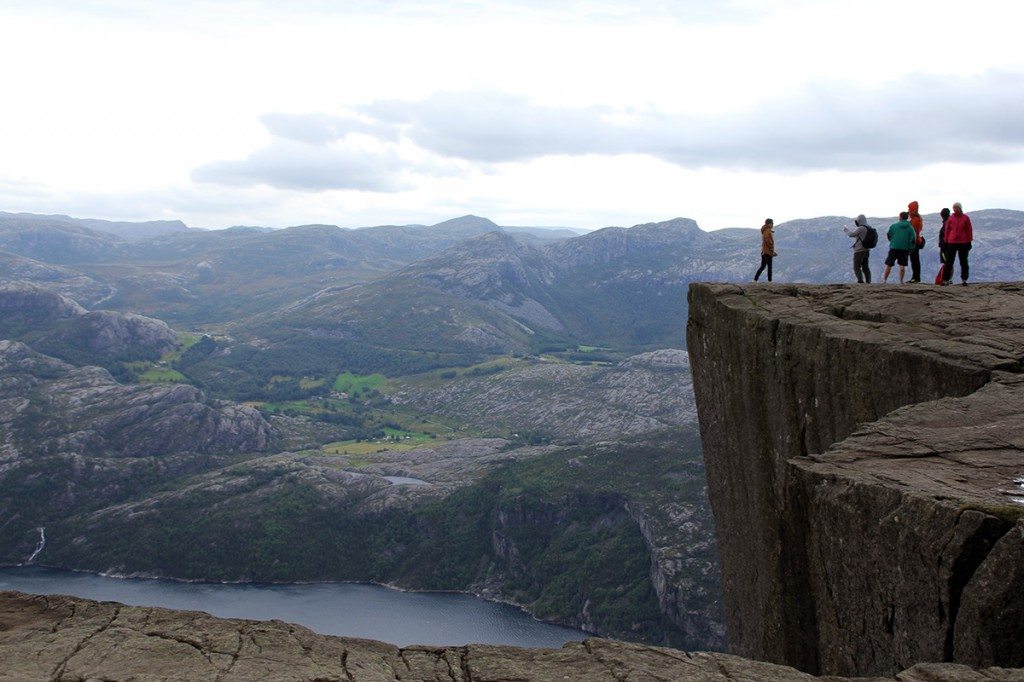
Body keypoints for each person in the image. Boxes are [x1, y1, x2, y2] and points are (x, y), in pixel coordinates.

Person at [941, 202, 973, 285]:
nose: (955, 210)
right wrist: (946, 240)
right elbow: (947, 230)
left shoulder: (965, 218)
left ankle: (964, 279)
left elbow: (969, 230)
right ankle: (945, 279)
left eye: (956, 208)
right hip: (952, 242)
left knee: (963, 261)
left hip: (963, 242)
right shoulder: (951, 218)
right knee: (949, 261)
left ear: (960, 208)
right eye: (954, 209)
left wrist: (969, 241)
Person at [883, 211, 916, 284]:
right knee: (902, 266)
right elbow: (913, 239)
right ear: (907, 218)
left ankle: (885, 280)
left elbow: (888, 235)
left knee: (889, 264)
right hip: (904, 249)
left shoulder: (894, 226)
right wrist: (910, 248)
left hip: (894, 247)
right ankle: (901, 281)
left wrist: (892, 241)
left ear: (900, 217)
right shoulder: (910, 228)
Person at [843, 214, 872, 283]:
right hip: (867, 250)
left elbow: (851, 234)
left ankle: (860, 281)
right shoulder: (868, 227)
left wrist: (846, 230)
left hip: (859, 250)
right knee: (865, 267)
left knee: (856, 267)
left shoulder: (861, 228)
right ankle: (868, 281)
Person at [907, 201, 924, 282]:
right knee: (915, 260)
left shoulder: (915, 219)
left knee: (914, 260)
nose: (908, 210)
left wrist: (912, 242)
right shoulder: (917, 218)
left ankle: (916, 278)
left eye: (909, 208)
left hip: (915, 242)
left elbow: (914, 232)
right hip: (917, 241)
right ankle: (915, 277)